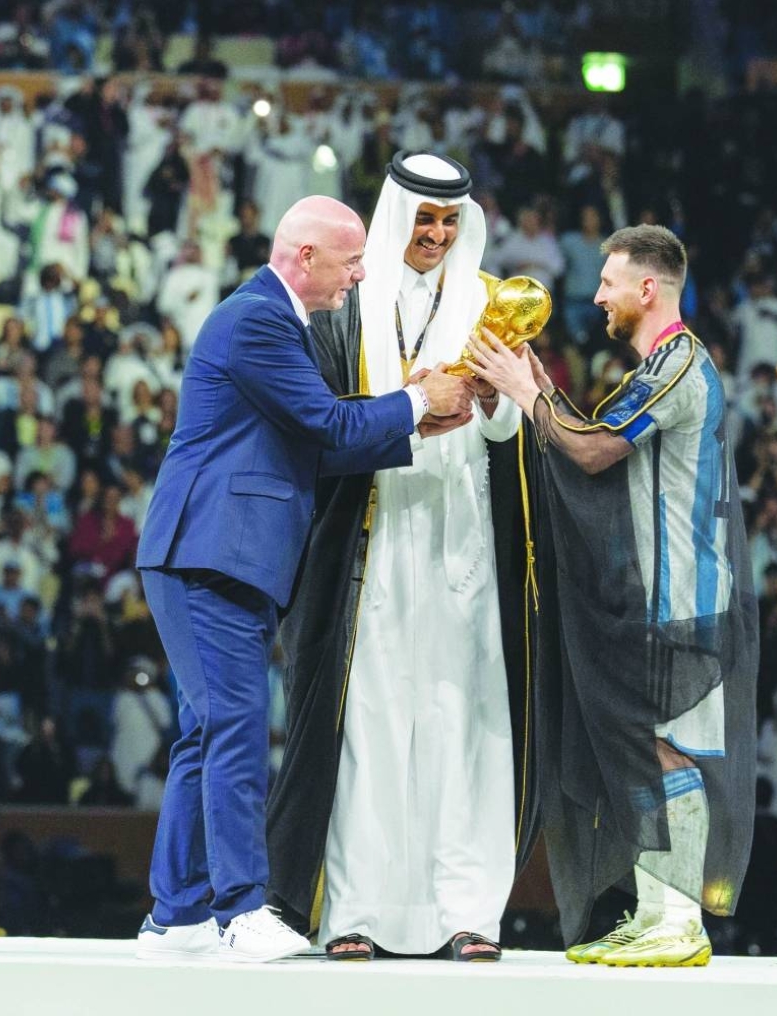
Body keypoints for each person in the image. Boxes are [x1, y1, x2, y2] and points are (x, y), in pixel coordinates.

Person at [134, 194, 472, 964]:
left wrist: (414, 419)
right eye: (351, 261)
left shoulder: (274, 322)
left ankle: (175, 913)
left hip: (217, 556)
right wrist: (419, 397)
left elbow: (314, 448)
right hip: (210, 555)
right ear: (306, 258)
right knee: (237, 728)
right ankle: (239, 908)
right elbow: (326, 426)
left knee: (204, 733)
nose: (360, 274)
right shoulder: (258, 320)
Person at [266, 152, 539, 962]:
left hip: (460, 541)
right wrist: (412, 403)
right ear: (396, 217)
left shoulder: (489, 302)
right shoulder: (351, 304)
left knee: (464, 726)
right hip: (375, 541)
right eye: (424, 219)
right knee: (372, 726)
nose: (438, 235)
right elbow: (318, 420)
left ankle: (467, 913)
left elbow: (512, 427)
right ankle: (360, 911)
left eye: (450, 222)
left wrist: (488, 403)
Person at [469, 224, 758, 967]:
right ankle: (657, 907)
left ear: (648, 288)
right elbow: (593, 436)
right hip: (661, 594)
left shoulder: (680, 365)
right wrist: (536, 391)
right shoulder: (663, 365)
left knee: (665, 747)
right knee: (641, 747)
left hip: (682, 597)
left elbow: (594, 450)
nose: (596, 295)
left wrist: (528, 393)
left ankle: (680, 919)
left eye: (608, 281)